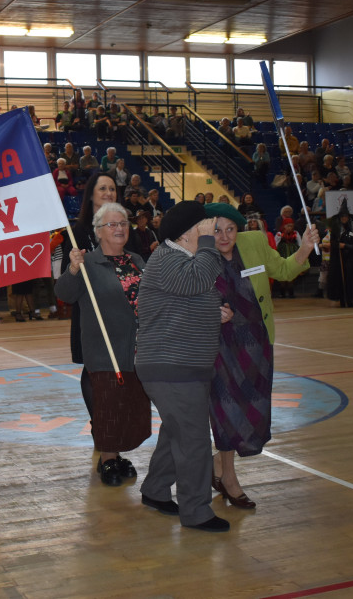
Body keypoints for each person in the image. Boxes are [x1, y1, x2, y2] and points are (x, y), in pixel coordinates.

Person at [207, 203, 317, 508]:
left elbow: (283, 270)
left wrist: (305, 248)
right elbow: (186, 296)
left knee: (249, 412)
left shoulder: (254, 243)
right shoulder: (200, 254)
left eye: (230, 229)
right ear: (207, 230)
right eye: (217, 229)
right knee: (226, 412)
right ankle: (229, 478)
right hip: (219, 345)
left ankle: (218, 463)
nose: (224, 236)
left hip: (256, 345)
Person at [136, 202, 229, 532]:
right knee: (193, 440)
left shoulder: (181, 260)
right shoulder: (168, 258)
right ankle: (196, 511)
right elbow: (195, 282)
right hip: (170, 365)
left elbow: (189, 295)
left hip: (182, 365)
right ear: (190, 231)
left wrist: (214, 313)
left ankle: (156, 490)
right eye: (207, 226)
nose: (213, 231)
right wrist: (208, 245)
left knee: (177, 432)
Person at [55, 203, 151, 486]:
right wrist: (73, 268)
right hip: (105, 351)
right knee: (108, 408)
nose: (120, 228)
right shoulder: (87, 263)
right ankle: (107, 459)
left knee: (130, 406)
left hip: (137, 350)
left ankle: (118, 454)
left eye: (123, 223)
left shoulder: (136, 260)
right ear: (98, 232)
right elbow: (64, 294)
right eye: (112, 224)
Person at [60, 172, 119, 419]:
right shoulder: (77, 232)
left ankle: (115, 426)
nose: (108, 193)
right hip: (90, 313)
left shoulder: (124, 228)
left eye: (112, 189)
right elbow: (65, 277)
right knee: (93, 368)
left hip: (121, 313)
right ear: (91, 195)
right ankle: (100, 428)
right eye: (102, 188)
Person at [327, 203, 353, 308]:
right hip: (339, 258)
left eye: (346, 216)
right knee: (340, 278)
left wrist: (348, 246)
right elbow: (333, 242)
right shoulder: (336, 228)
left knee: (351, 278)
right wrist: (338, 245)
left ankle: (350, 299)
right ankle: (342, 299)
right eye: (342, 216)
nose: (344, 218)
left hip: (351, 257)